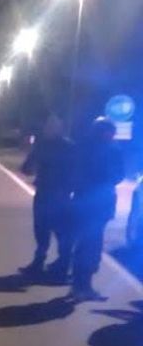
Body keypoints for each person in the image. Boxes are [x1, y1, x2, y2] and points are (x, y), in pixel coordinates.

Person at [69, 117, 125, 301]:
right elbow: (79, 174)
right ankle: (80, 286)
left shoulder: (108, 149)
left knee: (90, 246)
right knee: (88, 246)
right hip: (89, 203)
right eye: (109, 132)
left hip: (98, 204)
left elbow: (119, 174)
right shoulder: (88, 148)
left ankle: (83, 286)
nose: (111, 135)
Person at [19, 114, 76, 278]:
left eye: (52, 126)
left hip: (59, 195)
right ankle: (43, 262)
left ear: (59, 128)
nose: (48, 129)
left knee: (60, 232)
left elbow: (74, 170)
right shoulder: (44, 145)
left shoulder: (67, 147)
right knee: (42, 230)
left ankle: (63, 264)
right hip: (46, 193)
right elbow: (27, 168)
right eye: (47, 126)